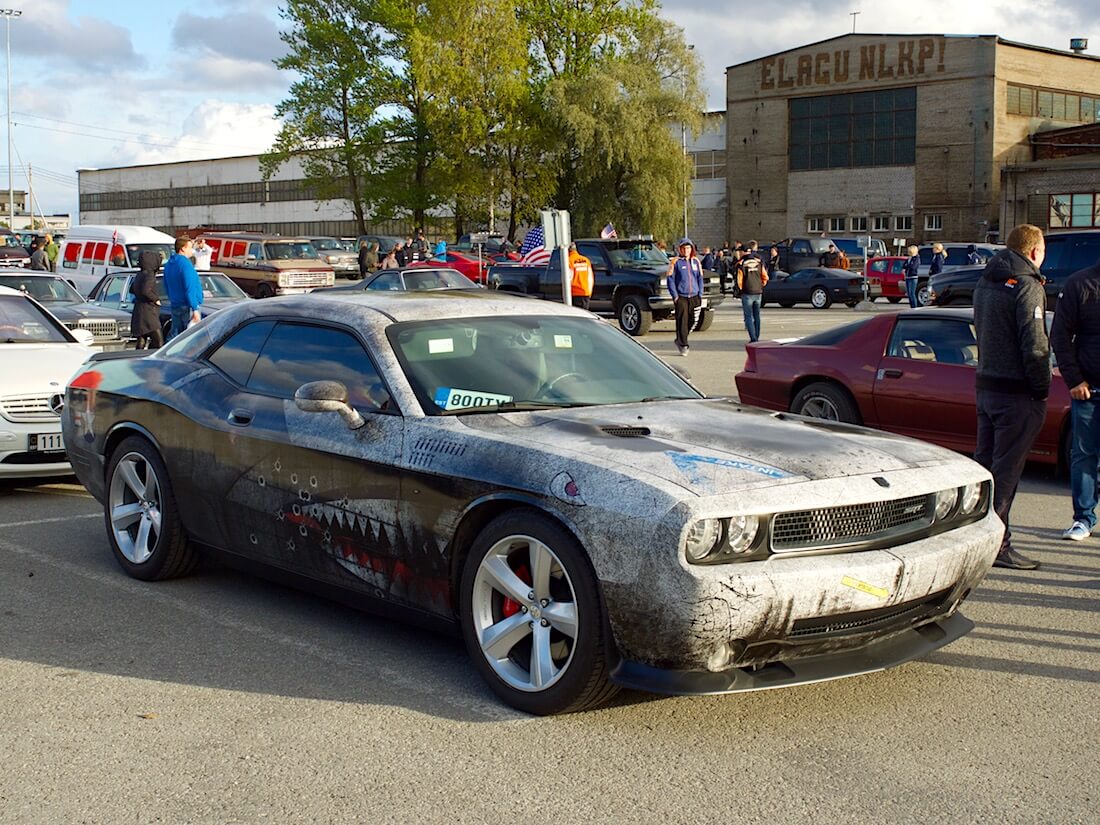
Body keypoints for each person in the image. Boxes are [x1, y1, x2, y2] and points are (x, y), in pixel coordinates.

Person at [972, 224, 1049, 570]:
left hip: (986, 386)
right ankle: (998, 546)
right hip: (1016, 394)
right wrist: (1041, 388)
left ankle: (978, 539)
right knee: (1006, 475)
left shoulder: (985, 281)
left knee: (987, 469)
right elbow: (1035, 344)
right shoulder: (1028, 286)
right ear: (1034, 252)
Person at [1050, 253, 1100, 541]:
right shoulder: (1080, 284)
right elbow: (1060, 335)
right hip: (1089, 391)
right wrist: (1075, 380)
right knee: (1084, 456)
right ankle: (1083, 519)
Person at [666, 238, 704, 356]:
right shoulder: (675, 262)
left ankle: (681, 337)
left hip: (694, 295)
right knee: (682, 320)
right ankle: (683, 344)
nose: (686, 250)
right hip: (681, 296)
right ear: (680, 249)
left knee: (693, 320)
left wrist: (700, 293)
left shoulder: (696, 261)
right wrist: (675, 296)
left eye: (688, 248)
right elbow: (670, 279)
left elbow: (700, 278)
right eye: (684, 248)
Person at [163, 237, 203, 340]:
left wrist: (172, 298)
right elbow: (189, 288)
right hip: (187, 305)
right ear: (183, 249)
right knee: (189, 337)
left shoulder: (168, 265)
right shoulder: (185, 264)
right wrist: (195, 308)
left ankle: (167, 352)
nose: (192, 250)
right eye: (190, 247)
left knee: (176, 335)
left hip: (175, 304)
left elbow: (166, 284)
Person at [130, 250, 163, 350]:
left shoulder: (139, 274)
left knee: (142, 339)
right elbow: (146, 291)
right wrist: (156, 299)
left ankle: (138, 358)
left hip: (139, 310)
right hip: (149, 312)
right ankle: (153, 359)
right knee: (159, 341)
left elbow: (132, 289)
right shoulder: (150, 275)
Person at [737, 240, 769, 343]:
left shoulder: (741, 263)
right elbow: (765, 276)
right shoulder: (758, 262)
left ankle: (753, 338)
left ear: (744, 252)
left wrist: (741, 290)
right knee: (757, 315)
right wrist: (761, 285)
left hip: (747, 292)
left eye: (740, 251)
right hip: (758, 292)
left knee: (748, 316)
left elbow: (739, 280)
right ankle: (757, 336)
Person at [567, 241, 594, 310]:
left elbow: (569, 278)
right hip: (585, 293)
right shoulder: (586, 260)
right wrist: (589, 292)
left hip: (575, 294)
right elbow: (590, 278)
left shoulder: (569, 261)